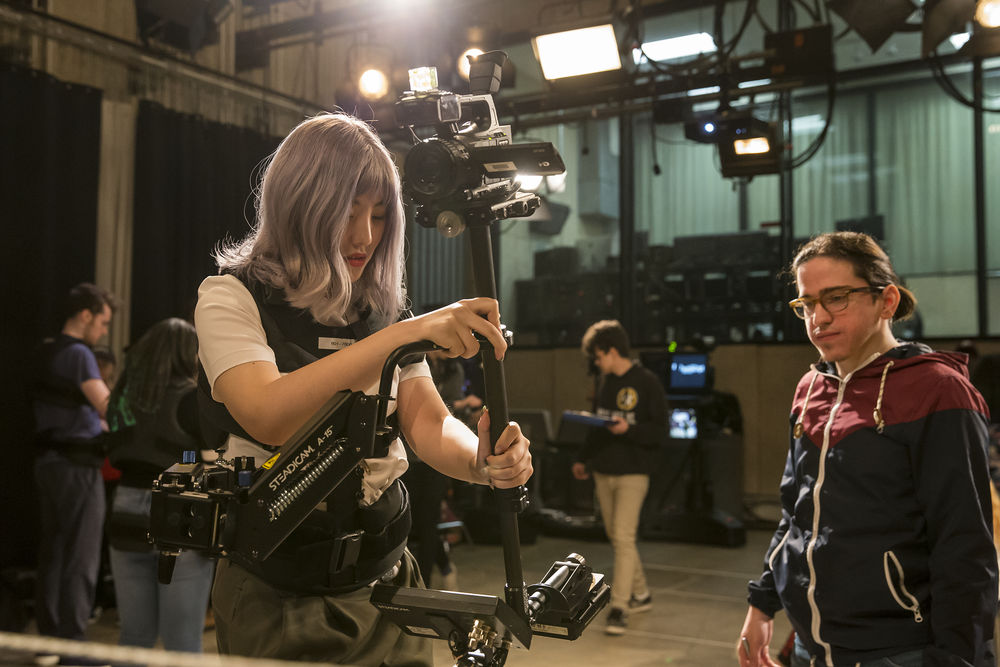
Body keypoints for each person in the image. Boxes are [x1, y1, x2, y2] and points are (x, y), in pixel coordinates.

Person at [194, 112, 532, 665]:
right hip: (280, 593)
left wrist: (482, 460)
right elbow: (267, 414)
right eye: (347, 214)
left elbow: (426, 422)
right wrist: (401, 337)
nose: (364, 237)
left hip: (388, 584)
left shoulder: (382, 310)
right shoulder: (232, 298)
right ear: (299, 205)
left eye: (378, 215)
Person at [738, 232, 997, 667]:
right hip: (810, 647)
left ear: (887, 301)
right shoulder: (810, 389)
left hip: (899, 652)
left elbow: (965, 549)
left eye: (836, 298)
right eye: (807, 304)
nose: (818, 317)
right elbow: (794, 512)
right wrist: (762, 602)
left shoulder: (939, 391)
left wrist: (957, 658)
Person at [104, 318, 216, 653]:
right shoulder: (190, 400)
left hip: (125, 510)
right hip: (178, 516)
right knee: (182, 644)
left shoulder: (120, 400)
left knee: (132, 640)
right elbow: (212, 460)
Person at [29, 282, 116, 664]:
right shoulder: (80, 353)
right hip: (78, 465)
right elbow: (108, 407)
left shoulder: (47, 349)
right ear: (86, 315)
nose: (105, 331)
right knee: (81, 555)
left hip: (48, 463)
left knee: (55, 551)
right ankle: (75, 646)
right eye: (103, 322)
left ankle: (49, 640)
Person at [571, 319, 667, 636]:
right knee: (617, 536)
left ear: (611, 351)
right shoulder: (607, 384)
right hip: (604, 470)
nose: (596, 364)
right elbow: (598, 428)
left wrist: (630, 430)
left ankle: (620, 607)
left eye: (598, 357)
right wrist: (584, 459)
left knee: (623, 538)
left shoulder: (647, 382)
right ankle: (642, 594)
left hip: (633, 472)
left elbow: (661, 432)